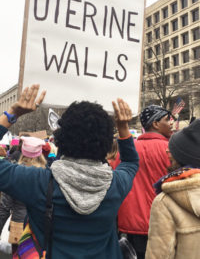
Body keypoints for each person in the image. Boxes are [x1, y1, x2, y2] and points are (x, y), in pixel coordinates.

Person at [0, 84, 139, 259]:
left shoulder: (37, 182)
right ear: (106, 142)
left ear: (61, 138)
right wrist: (123, 128)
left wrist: (13, 113)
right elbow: (131, 162)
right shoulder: (116, 184)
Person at [113, 104, 173, 259]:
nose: (172, 122)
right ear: (155, 124)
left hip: (130, 226)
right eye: (168, 119)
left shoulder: (125, 151)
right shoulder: (171, 151)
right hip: (163, 224)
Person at [145, 119, 200, 259]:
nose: (167, 151)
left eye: (173, 150)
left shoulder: (165, 202)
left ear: (181, 156)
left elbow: (158, 255)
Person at [0, 136, 47, 254]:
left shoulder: (14, 175)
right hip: (41, 227)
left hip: (18, 226)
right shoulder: (48, 175)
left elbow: (5, 207)